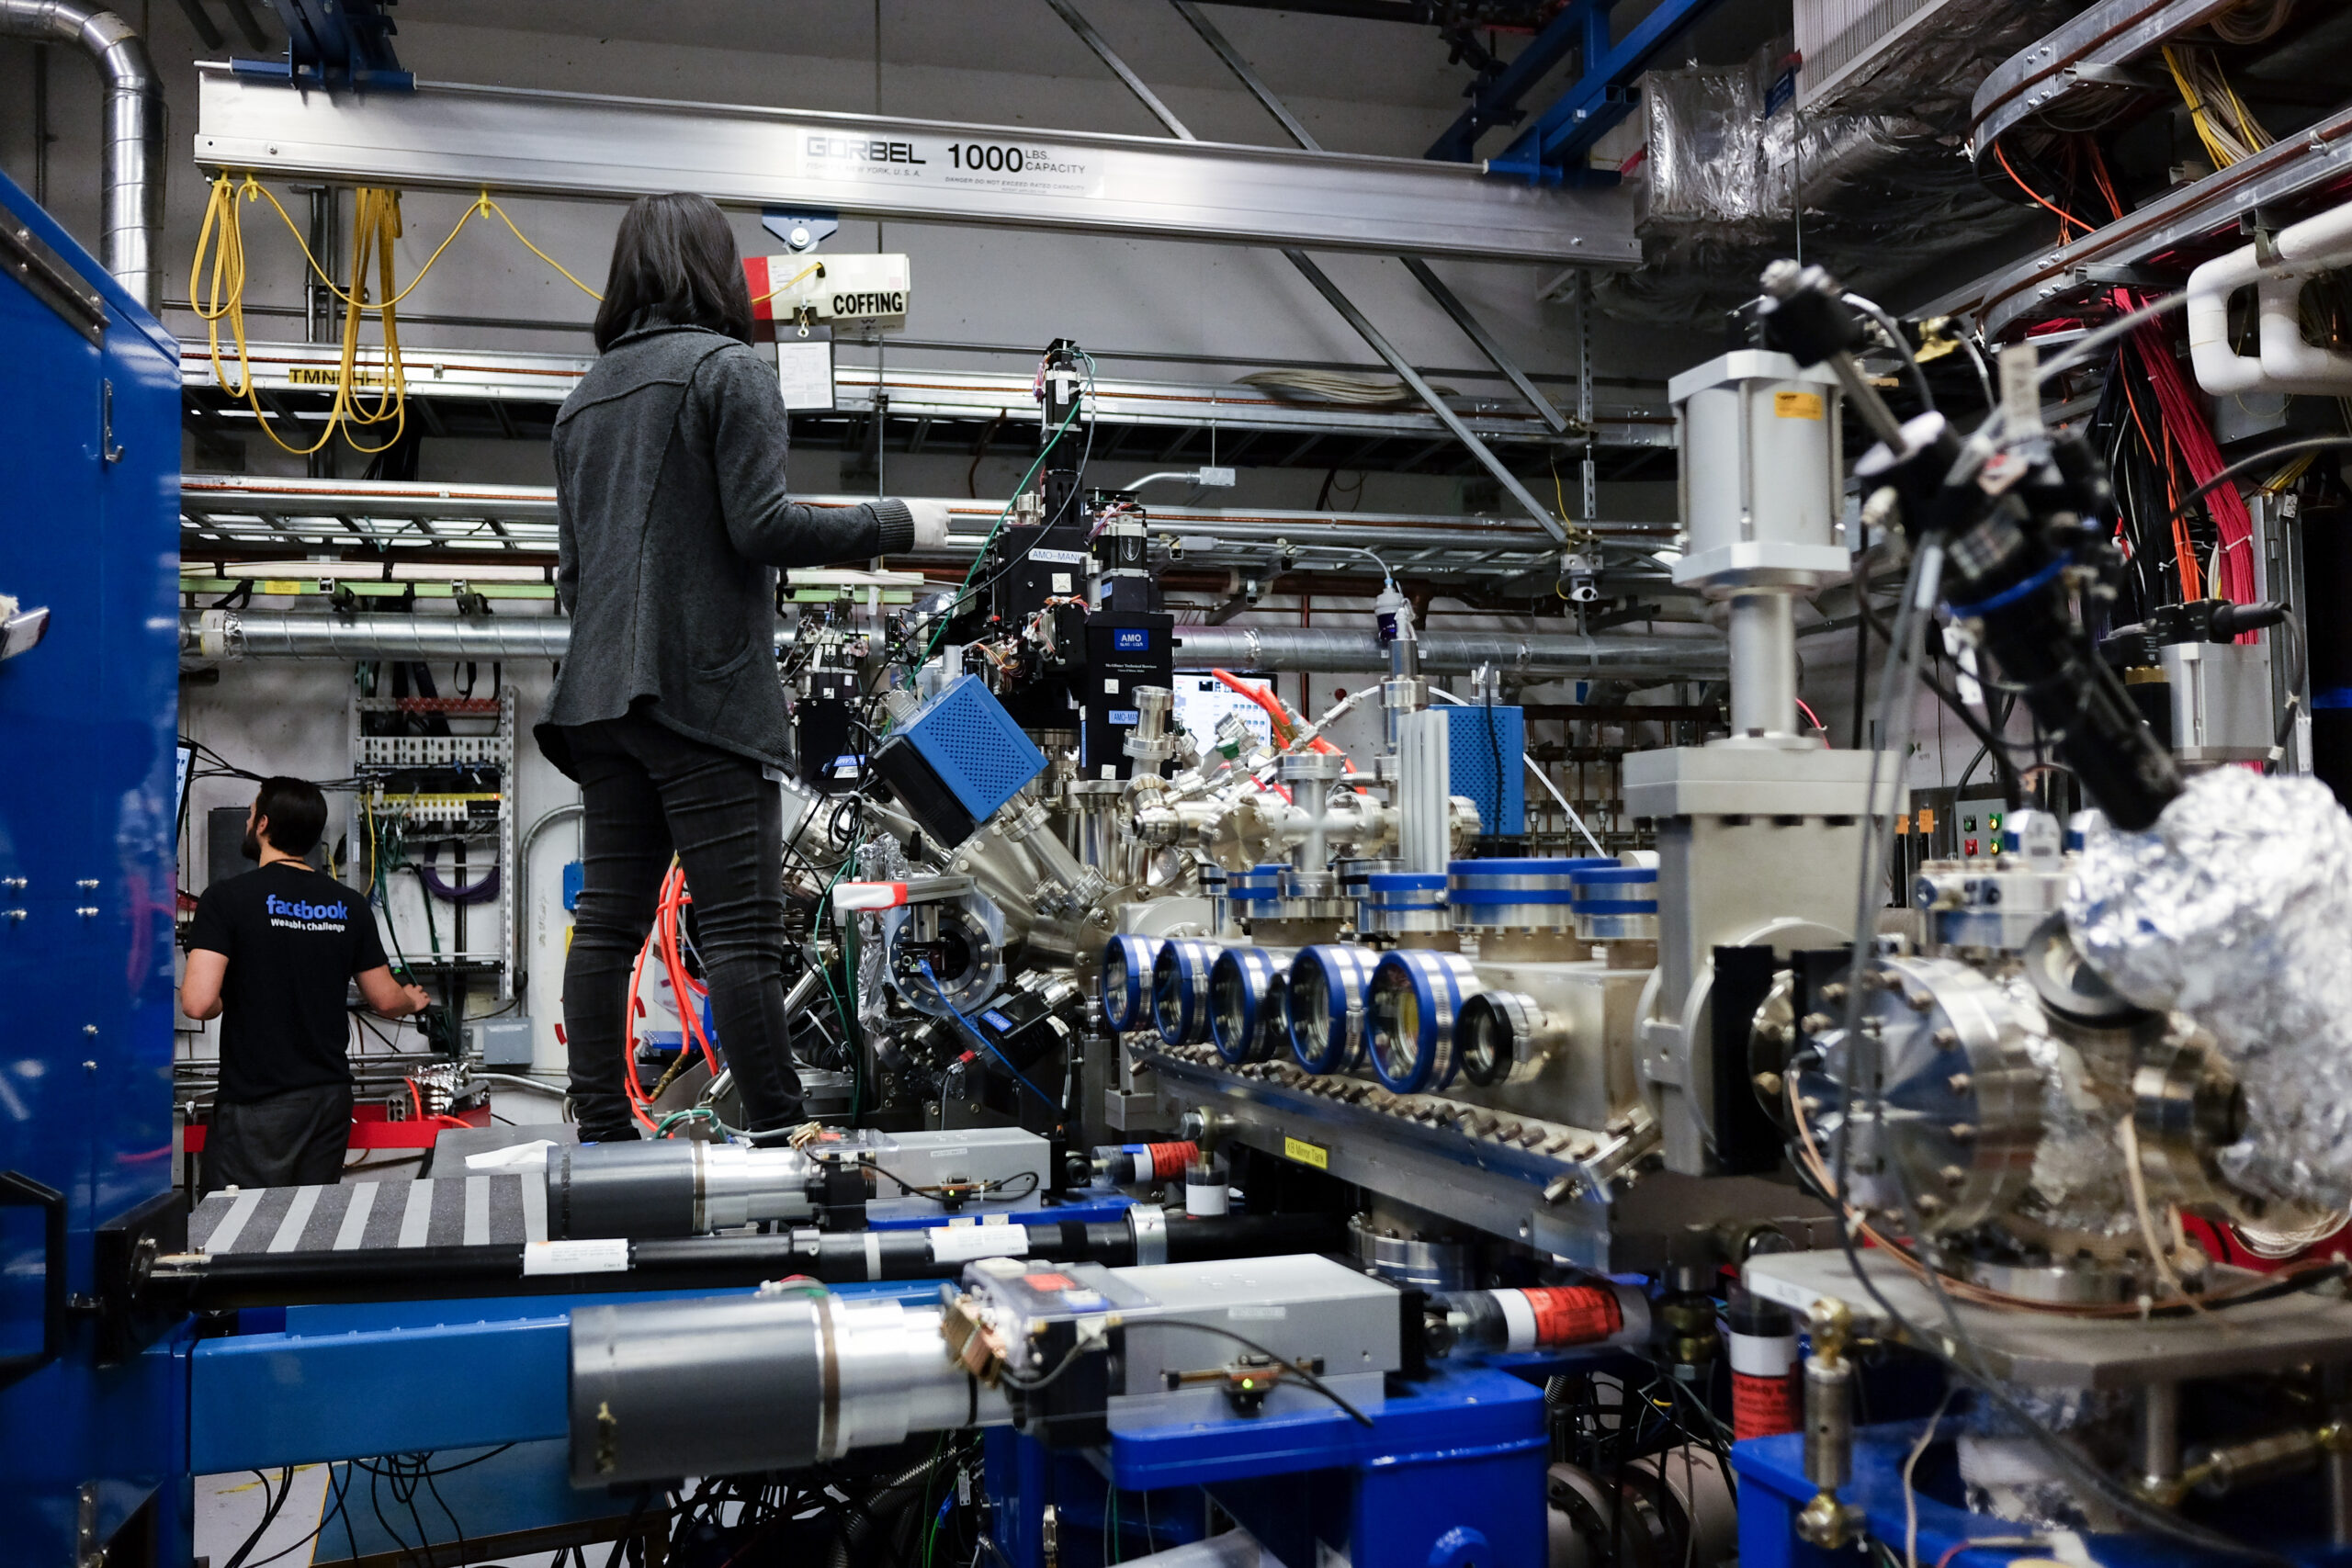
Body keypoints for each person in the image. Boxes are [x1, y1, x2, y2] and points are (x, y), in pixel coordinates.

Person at [540, 191, 951, 1142]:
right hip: (701, 696)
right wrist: (896, 525)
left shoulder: (581, 401)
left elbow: (571, 573)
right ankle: (778, 1131)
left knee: (607, 923)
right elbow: (761, 527)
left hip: (598, 700)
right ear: (716, 269)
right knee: (741, 935)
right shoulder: (731, 371)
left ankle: (600, 1128)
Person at [180, 777, 433, 1192]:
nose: (247, 821)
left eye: (250, 814)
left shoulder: (227, 898)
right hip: (328, 1102)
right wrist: (412, 999)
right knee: (309, 1229)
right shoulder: (348, 904)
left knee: (238, 1233)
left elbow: (197, 1003)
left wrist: (220, 1000)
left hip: (258, 1103)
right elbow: (386, 1000)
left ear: (262, 824)